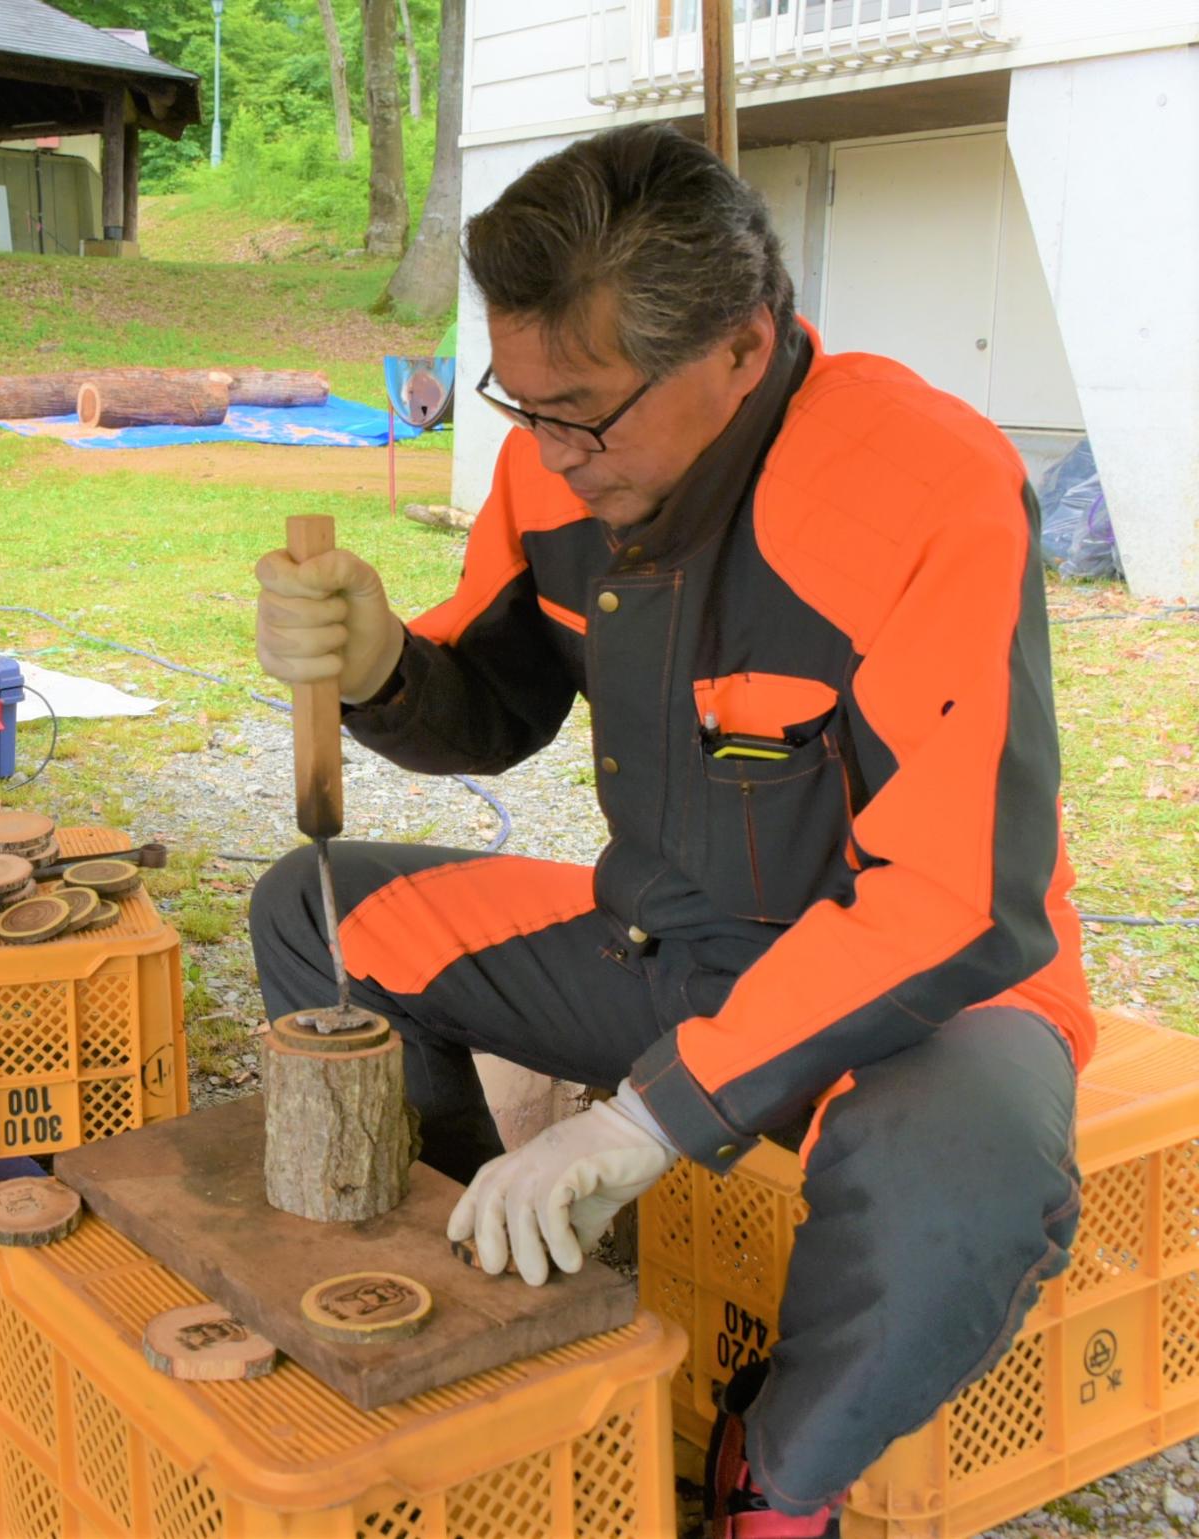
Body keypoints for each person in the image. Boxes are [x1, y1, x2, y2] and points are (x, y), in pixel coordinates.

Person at [250, 123, 1093, 1538]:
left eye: (583, 411)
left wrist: (649, 1120)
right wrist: (386, 661)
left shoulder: (923, 484)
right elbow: (497, 703)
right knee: (316, 913)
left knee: (967, 1196)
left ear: (744, 348)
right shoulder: (558, 458)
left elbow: (956, 897)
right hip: (662, 938)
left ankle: (774, 1474)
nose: (551, 452)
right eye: (519, 405)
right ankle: (478, 1294)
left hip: (923, 993)